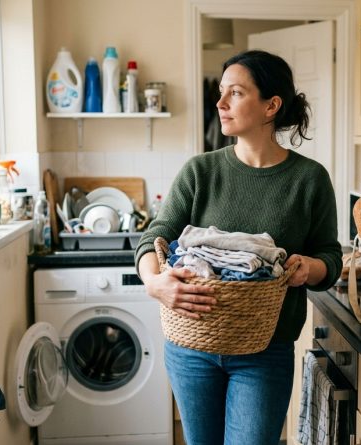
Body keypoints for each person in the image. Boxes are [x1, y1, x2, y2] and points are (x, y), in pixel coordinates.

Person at [134, 49, 342, 445]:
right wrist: (153, 281)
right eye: (221, 92)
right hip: (191, 348)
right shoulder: (201, 171)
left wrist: (307, 268)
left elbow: (330, 258)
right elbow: (154, 236)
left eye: (236, 93)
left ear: (271, 106)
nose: (221, 102)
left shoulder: (309, 179)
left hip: (265, 352)